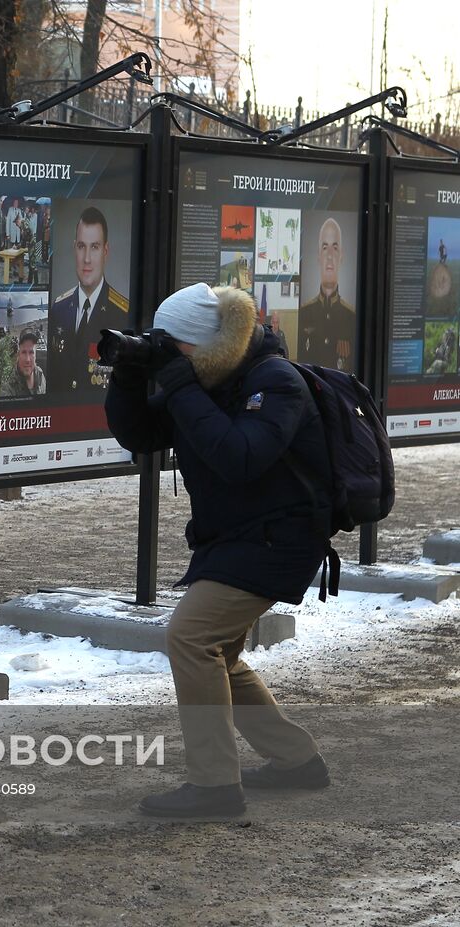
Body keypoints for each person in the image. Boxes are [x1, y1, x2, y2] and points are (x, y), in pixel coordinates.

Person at [104, 282, 332, 818]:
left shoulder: (274, 381)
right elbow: (140, 435)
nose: (167, 355)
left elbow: (240, 458)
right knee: (218, 655)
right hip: (235, 537)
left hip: (281, 538)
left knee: (191, 636)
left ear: (206, 344)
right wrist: (130, 377)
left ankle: (214, 787)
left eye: (172, 346)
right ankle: (296, 759)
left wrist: (180, 386)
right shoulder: (203, 374)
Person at [48, 207, 128, 393]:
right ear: (74, 248)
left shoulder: (123, 315)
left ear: (105, 251)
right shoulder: (58, 309)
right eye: (82, 246)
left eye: (95, 247)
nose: (86, 259)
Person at [298, 218, 354, 369]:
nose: (329, 256)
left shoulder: (352, 317)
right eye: (325, 247)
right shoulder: (303, 313)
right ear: (318, 256)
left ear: (341, 256)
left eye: (335, 248)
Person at [6, 329, 46, 397]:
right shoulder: (9, 388)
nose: (27, 360)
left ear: (36, 355)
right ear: (19, 354)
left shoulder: (40, 374)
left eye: (31, 352)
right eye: (24, 352)